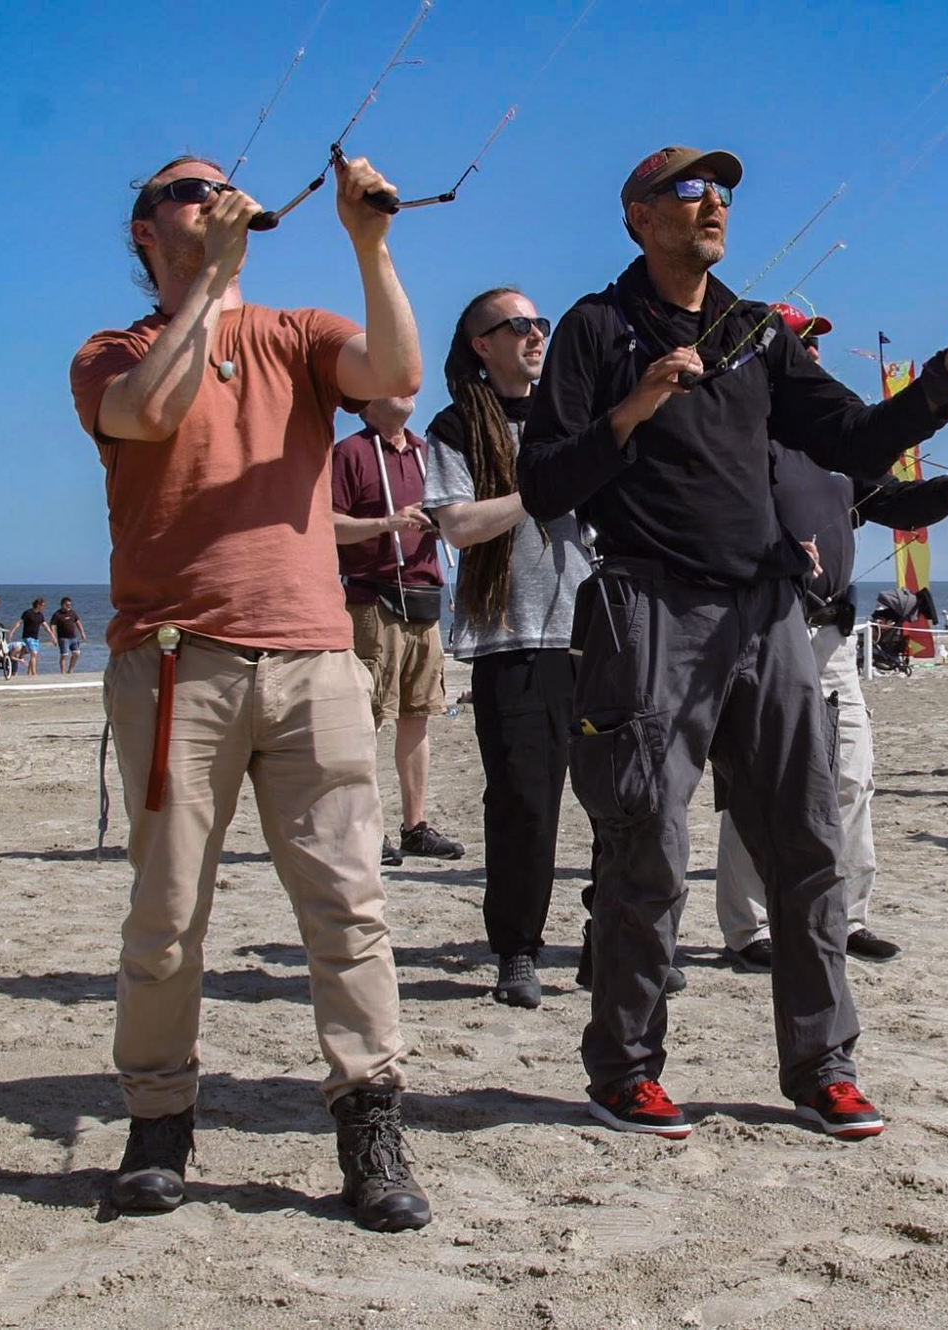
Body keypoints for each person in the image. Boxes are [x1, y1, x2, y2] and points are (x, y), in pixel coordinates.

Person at [516, 144, 948, 1140]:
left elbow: (854, 441)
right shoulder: (595, 327)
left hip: (769, 610)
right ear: (637, 216)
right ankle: (624, 1068)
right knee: (647, 845)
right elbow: (543, 484)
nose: (714, 203)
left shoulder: (755, 331)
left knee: (809, 843)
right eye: (689, 189)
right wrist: (636, 405)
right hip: (649, 608)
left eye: (723, 191)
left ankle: (823, 1067)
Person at [68, 152, 429, 1229]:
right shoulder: (111, 350)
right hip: (175, 661)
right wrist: (212, 289)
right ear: (144, 232)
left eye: (223, 186)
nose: (215, 198)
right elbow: (149, 413)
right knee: (168, 915)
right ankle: (158, 1121)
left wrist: (371, 243)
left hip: (315, 658)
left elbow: (397, 376)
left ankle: (370, 1124)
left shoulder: (298, 333)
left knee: (349, 905)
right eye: (189, 191)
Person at [715, 306, 948, 972]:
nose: (810, 355)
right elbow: (711, 520)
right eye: (797, 343)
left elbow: (891, 503)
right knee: (759, 781)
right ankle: (749, 928)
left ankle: (848, 917)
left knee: (852, 777)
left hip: (832, 635)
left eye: (812, 345)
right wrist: (773, 549)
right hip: (764, 629)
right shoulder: (739, 433)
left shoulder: (833, 445)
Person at [422, 287, 589, 1009]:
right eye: (517, 325)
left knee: (623, 801)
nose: (535, 334)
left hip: (594, 633)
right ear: (481, 344)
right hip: (510, 639)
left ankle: (612, 938)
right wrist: (539, 490)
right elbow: (458, 525)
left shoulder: (572, 415)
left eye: (539, 323)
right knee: (524, 803)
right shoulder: (456, 423)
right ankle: (517, 950)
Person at [332, 397, 464, 867]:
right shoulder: (350, 453)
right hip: (374, 601)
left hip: (425, 600)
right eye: (393, 383)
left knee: (418, 714)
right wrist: (386, 523)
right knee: (368, 716)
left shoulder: (427, 452)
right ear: (366, 403)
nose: (407, 391)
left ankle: (415, 826)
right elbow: (328, 524)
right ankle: (364, 827)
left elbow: (458, 515)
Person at [8, 597, 57, 676]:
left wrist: (53, 636)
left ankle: (29, 673)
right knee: (34, 653)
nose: (43, 607)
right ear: (38, 605)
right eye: (42, 605)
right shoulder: (28, 613)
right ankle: (34, 673)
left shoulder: (40, 615)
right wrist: (12, 632)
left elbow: (45, 626)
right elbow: (19, 623)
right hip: (27, 637)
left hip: (35, 638)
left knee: (34, 655)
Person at [51, 596, 86, 673]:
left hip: (73, 637)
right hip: (63, 638)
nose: (69, 606)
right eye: (67, 605)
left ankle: (70, 670)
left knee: (76, 653)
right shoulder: (57, 614)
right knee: (64, 655)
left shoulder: (73, 613)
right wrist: (53, 637)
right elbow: (52, 626)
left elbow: (78, 622)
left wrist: (82, 632)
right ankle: (62, 672)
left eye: (70, 605)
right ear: (62, 605)